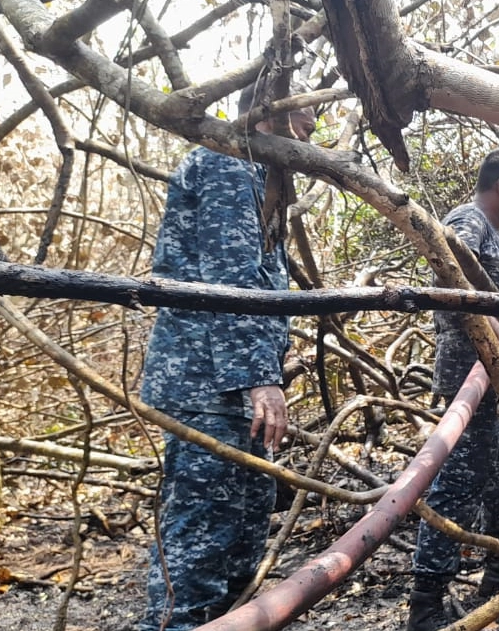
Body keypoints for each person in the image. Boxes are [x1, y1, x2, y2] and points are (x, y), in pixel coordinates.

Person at [139, 77, 316, 631]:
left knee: (240, 544)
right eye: (307, 112)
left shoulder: (263, 181)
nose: (314, 126)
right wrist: (262, 379)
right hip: (206, 389)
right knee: (199, 556)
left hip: (235, 396)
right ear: (273, 111)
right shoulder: (225, 164)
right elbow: (228, 280)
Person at [407, 149, 499, 631]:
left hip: (492, 378)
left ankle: (498, 576)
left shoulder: (489, 232)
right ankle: (426, 604)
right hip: (470, 376)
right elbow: (449, 278)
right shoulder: (467, 220)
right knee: (458, 484)